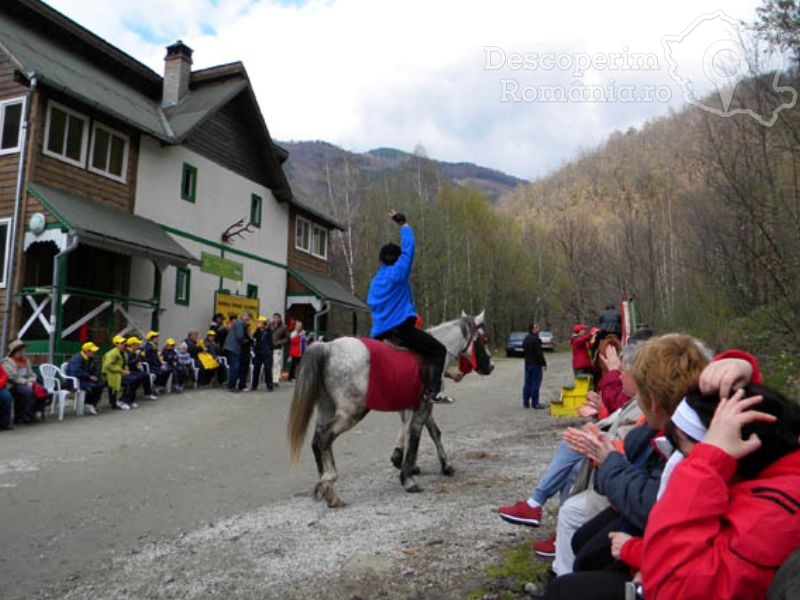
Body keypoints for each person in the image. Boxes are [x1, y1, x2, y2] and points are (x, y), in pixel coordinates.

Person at [612, 385, 800, 600]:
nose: (683, 465)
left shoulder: (772, 514)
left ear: (740, 449)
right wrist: (736, 362)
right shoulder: (772, 482)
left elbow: (675, 588)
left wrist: (706, 464)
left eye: (689, 454)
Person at [367, 210, 453, 404]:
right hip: (401, 331)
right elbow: (409, 248)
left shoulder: (375, 282)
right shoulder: (398, 273)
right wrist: (404, 225)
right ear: (396, 259)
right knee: (439, 350)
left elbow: (372, 305)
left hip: (380, 334)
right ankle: (433, 392)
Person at [3, 339, 39, 423]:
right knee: (27, 391)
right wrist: (26, 382)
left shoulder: (26, 361)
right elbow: (12, 377)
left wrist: (31, 380)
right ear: (15, 352)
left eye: (23, 350)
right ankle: (23, 415)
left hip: (26, 383)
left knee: (40, 389)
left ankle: (32, 413)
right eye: (21, 351)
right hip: (13, 385)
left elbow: (32, 373)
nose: (23, 352)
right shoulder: (8, 362)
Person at [65, 341, 106, 415]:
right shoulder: (77, 359)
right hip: (76, 381)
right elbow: (76, 372)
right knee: (93, 387)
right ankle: (88, 403)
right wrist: (89, 376)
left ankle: (92, 404)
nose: (94, 352)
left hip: (85, 378)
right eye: (93, 351)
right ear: (87, 351)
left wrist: (96, 376)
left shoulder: (90, 358)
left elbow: (95, 369)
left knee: (101, 384)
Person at [223, 311, 252, 392]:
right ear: (244, 316)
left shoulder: (238, 322)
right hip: (234, 348)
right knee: (235, 367)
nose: (248, 319)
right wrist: (246, 341)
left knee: (235, 367)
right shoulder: (239, 322)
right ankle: (231, 386)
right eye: (248, 317)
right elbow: (240, 336)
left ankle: (232, 385)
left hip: (232, 347)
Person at [123, 337, 155, 406]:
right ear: (132, 345)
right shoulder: (127, 353)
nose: (138, 346)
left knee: (145, 375)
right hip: (128, 372)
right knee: (136, 378)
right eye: (137, 344)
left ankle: (147, 393)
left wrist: (138, 362)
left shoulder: (134, 352)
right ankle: (128, 400)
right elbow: (129, 364)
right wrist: (136, 363)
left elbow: (137, 362)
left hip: (134, 371)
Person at [522, 323, 547, 409]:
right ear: (533, 329)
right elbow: (539, 353)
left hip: (527, 363)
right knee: (535, 383)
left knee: (527, 383)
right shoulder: (536, 340)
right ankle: (535, 403)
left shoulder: (525, 339)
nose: (538, 329)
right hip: (536, 364)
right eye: (537, 328)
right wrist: (543, 363)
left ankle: (525, 402)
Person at [102, 335, 130, 410]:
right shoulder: (111, 353)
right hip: (110, 374)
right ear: (116, 344)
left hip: (118, 373)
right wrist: (121, 371)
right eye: (121, 343)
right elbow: (107, 366)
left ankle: (118, 401)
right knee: (128, 381)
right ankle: (120, 401)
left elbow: (125, 364)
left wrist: (126, 370)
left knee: (133, 379)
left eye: (124, 342)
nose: (123, 344)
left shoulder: (124, 353)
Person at [252, 315, 274, 391]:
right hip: (258, 353)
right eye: (258, 322)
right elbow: (254, 339)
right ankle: (254, 385)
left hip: (267, 353)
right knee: (256, 369)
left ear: (263, 323)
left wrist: (270, 351)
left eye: (259, 322)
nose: (258, 323)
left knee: (268, 369)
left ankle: (269, 386)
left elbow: (271, 342)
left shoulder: (269, 331)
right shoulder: (257, 330)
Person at [270, 313, 289, 386]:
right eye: (274, 318)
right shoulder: (270, 325)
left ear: (280, 318)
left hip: (277, 348)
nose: (276, 319)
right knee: (270, 363)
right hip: (270, 347)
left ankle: (275, 380)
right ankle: (270, 378)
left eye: (277, 318)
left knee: (276, 364)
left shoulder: (284, 327)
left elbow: (287, 338)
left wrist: (279, 342)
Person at [0, 361, 14, 430]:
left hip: (0, 387)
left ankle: (5, 423)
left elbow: (4, 375)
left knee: (7, 397)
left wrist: (1, 383)